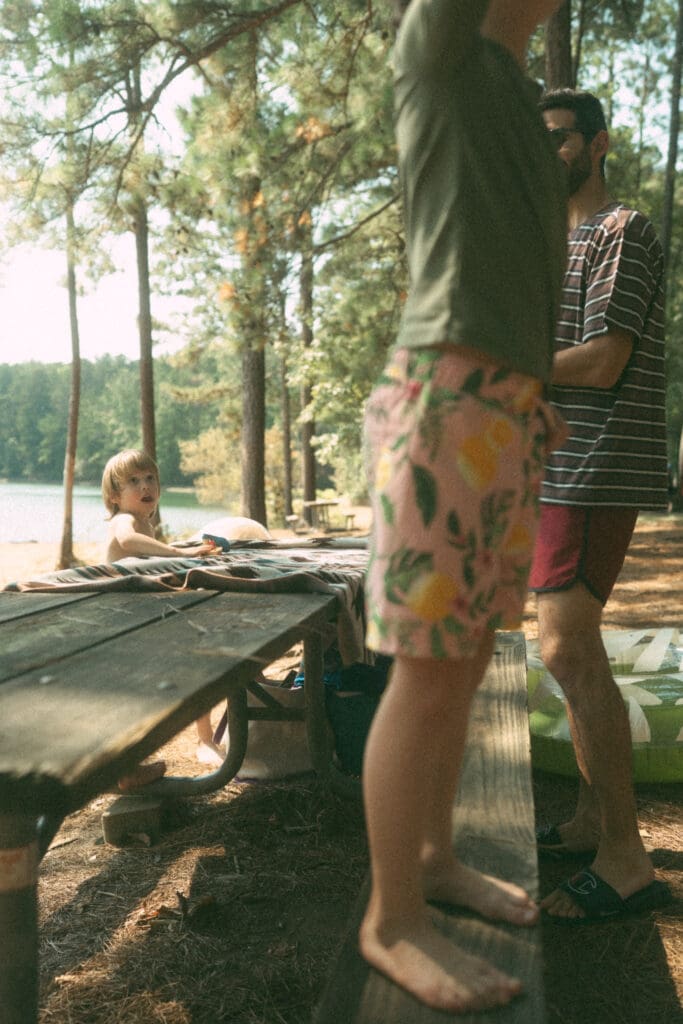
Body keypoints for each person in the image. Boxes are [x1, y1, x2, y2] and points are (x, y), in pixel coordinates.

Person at [360, 0, 568, 1013]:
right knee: (428, 671)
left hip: (507, 413)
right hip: (444, 405)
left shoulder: (517, 96)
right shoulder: (438, 52)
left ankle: (436, 858)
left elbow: (512, 271)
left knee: (470, 658)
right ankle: (390, 916)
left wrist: (539, 398)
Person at [530, 89, 673, 921]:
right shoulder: (556, 241)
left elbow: (605, 362)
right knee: (564, 652)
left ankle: (626, 858)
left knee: (567, 649)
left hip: (594, 467)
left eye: (556, 140)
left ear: (596, 143)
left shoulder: (623, 231)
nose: (545, 155)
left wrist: (512, 364)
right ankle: (592, 819)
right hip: (555, 469)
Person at [102, 449, 223, 767]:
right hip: (122, 620)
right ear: (114, 495)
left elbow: (150, 560)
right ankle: (127, 767)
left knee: (199, 652)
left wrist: (183, 551)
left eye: (150, 478)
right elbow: (128, 542)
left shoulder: (146, 524)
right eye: (133, 481)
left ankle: (205, 739)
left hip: (144, 612)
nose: (145, 487)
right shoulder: (125, 520)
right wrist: (174, 551)